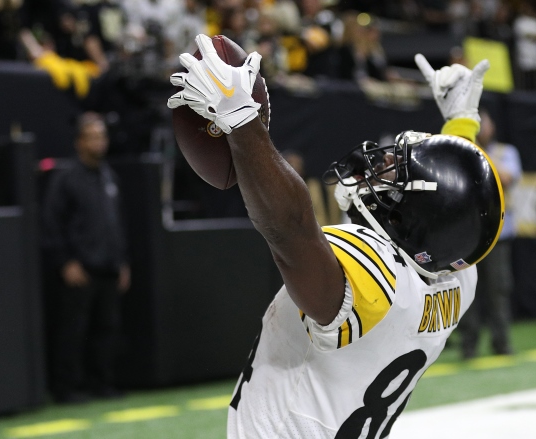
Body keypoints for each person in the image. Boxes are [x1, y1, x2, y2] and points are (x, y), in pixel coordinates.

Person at [168, 35, 502, 438]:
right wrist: (462, 123)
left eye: (396, 173)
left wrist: (241, 119)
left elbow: (290, 231)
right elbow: (457, 207)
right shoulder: (458, 277)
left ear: (413, 217)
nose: (381, 166)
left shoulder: (378, 281)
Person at [41, 111, 131, 403]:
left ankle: (102, 382)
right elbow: (52, 223)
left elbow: (116, 223)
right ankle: (66, 387)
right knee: (73, 330)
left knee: (107, 328)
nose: (98, 142)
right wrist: (65, 261)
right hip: (80, 268)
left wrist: (122, 262)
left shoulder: (109, 177)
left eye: (101, 136)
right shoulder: (66, 178)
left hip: (109, 267)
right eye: (91, 137)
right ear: (79, 142)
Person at [459, 108, 522, 359]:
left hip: (499, 235)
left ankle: (501, 342)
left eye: (483, 122)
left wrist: (479, 153)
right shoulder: (462, 153)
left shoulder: (506, 152)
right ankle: (469, 345)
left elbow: (506, 178)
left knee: (498, 290)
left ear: (492, 126)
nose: (480, 127)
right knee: (467, 291)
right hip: (469, 236)